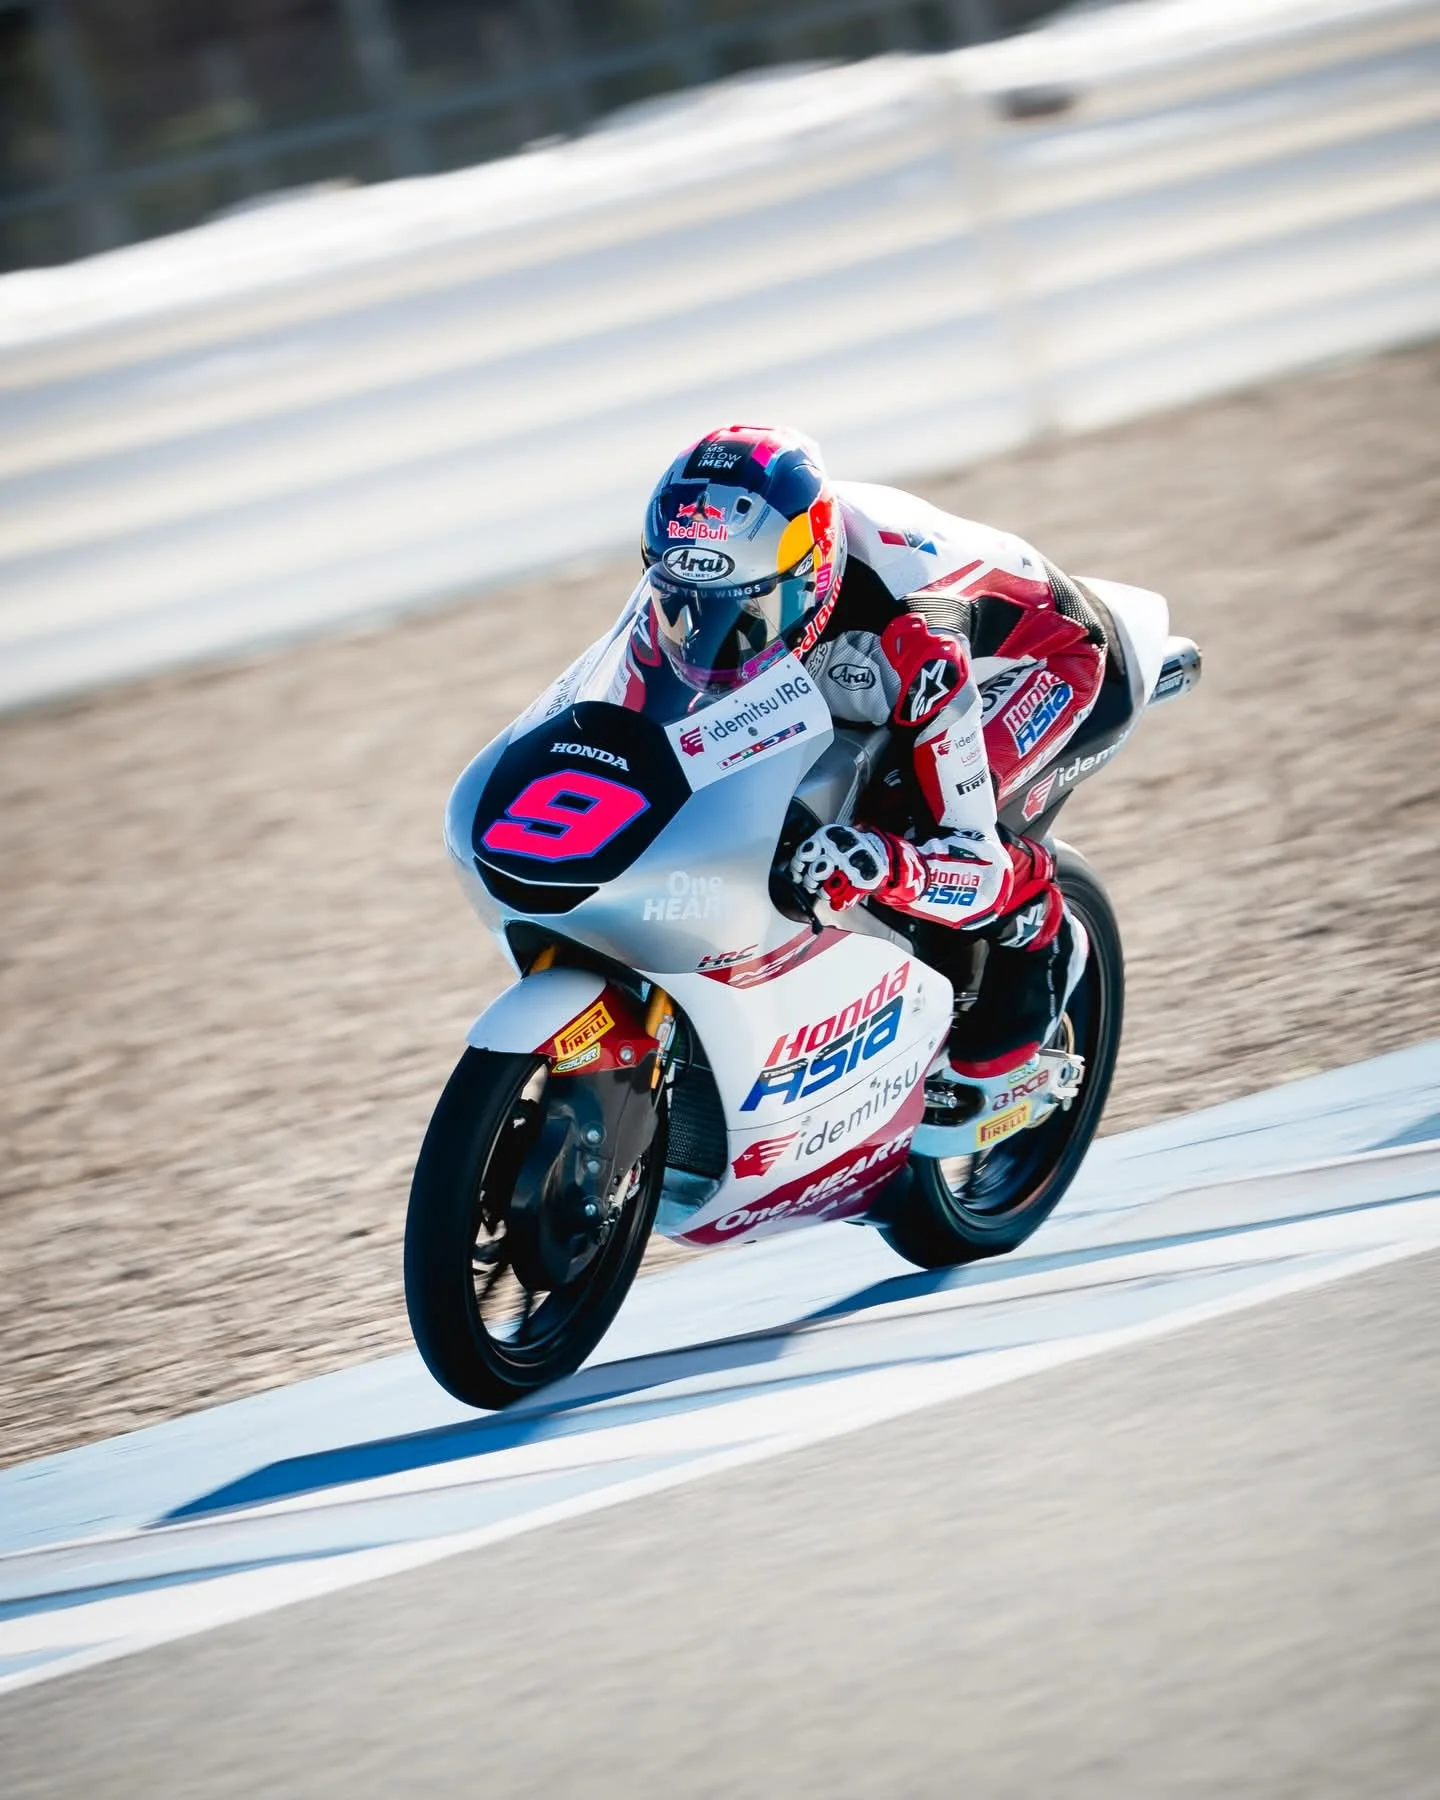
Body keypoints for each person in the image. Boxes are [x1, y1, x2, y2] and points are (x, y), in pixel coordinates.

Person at [633, 422, 1110, 1087]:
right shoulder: (711, 565)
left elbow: (970, 859)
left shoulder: (913, 635)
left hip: (1042, 662)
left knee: (897, 816)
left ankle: (1037, 922)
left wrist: (880, 861)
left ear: (813, 574)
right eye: (689, 607)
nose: (713, 637)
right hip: (877, 653)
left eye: (749, 611)